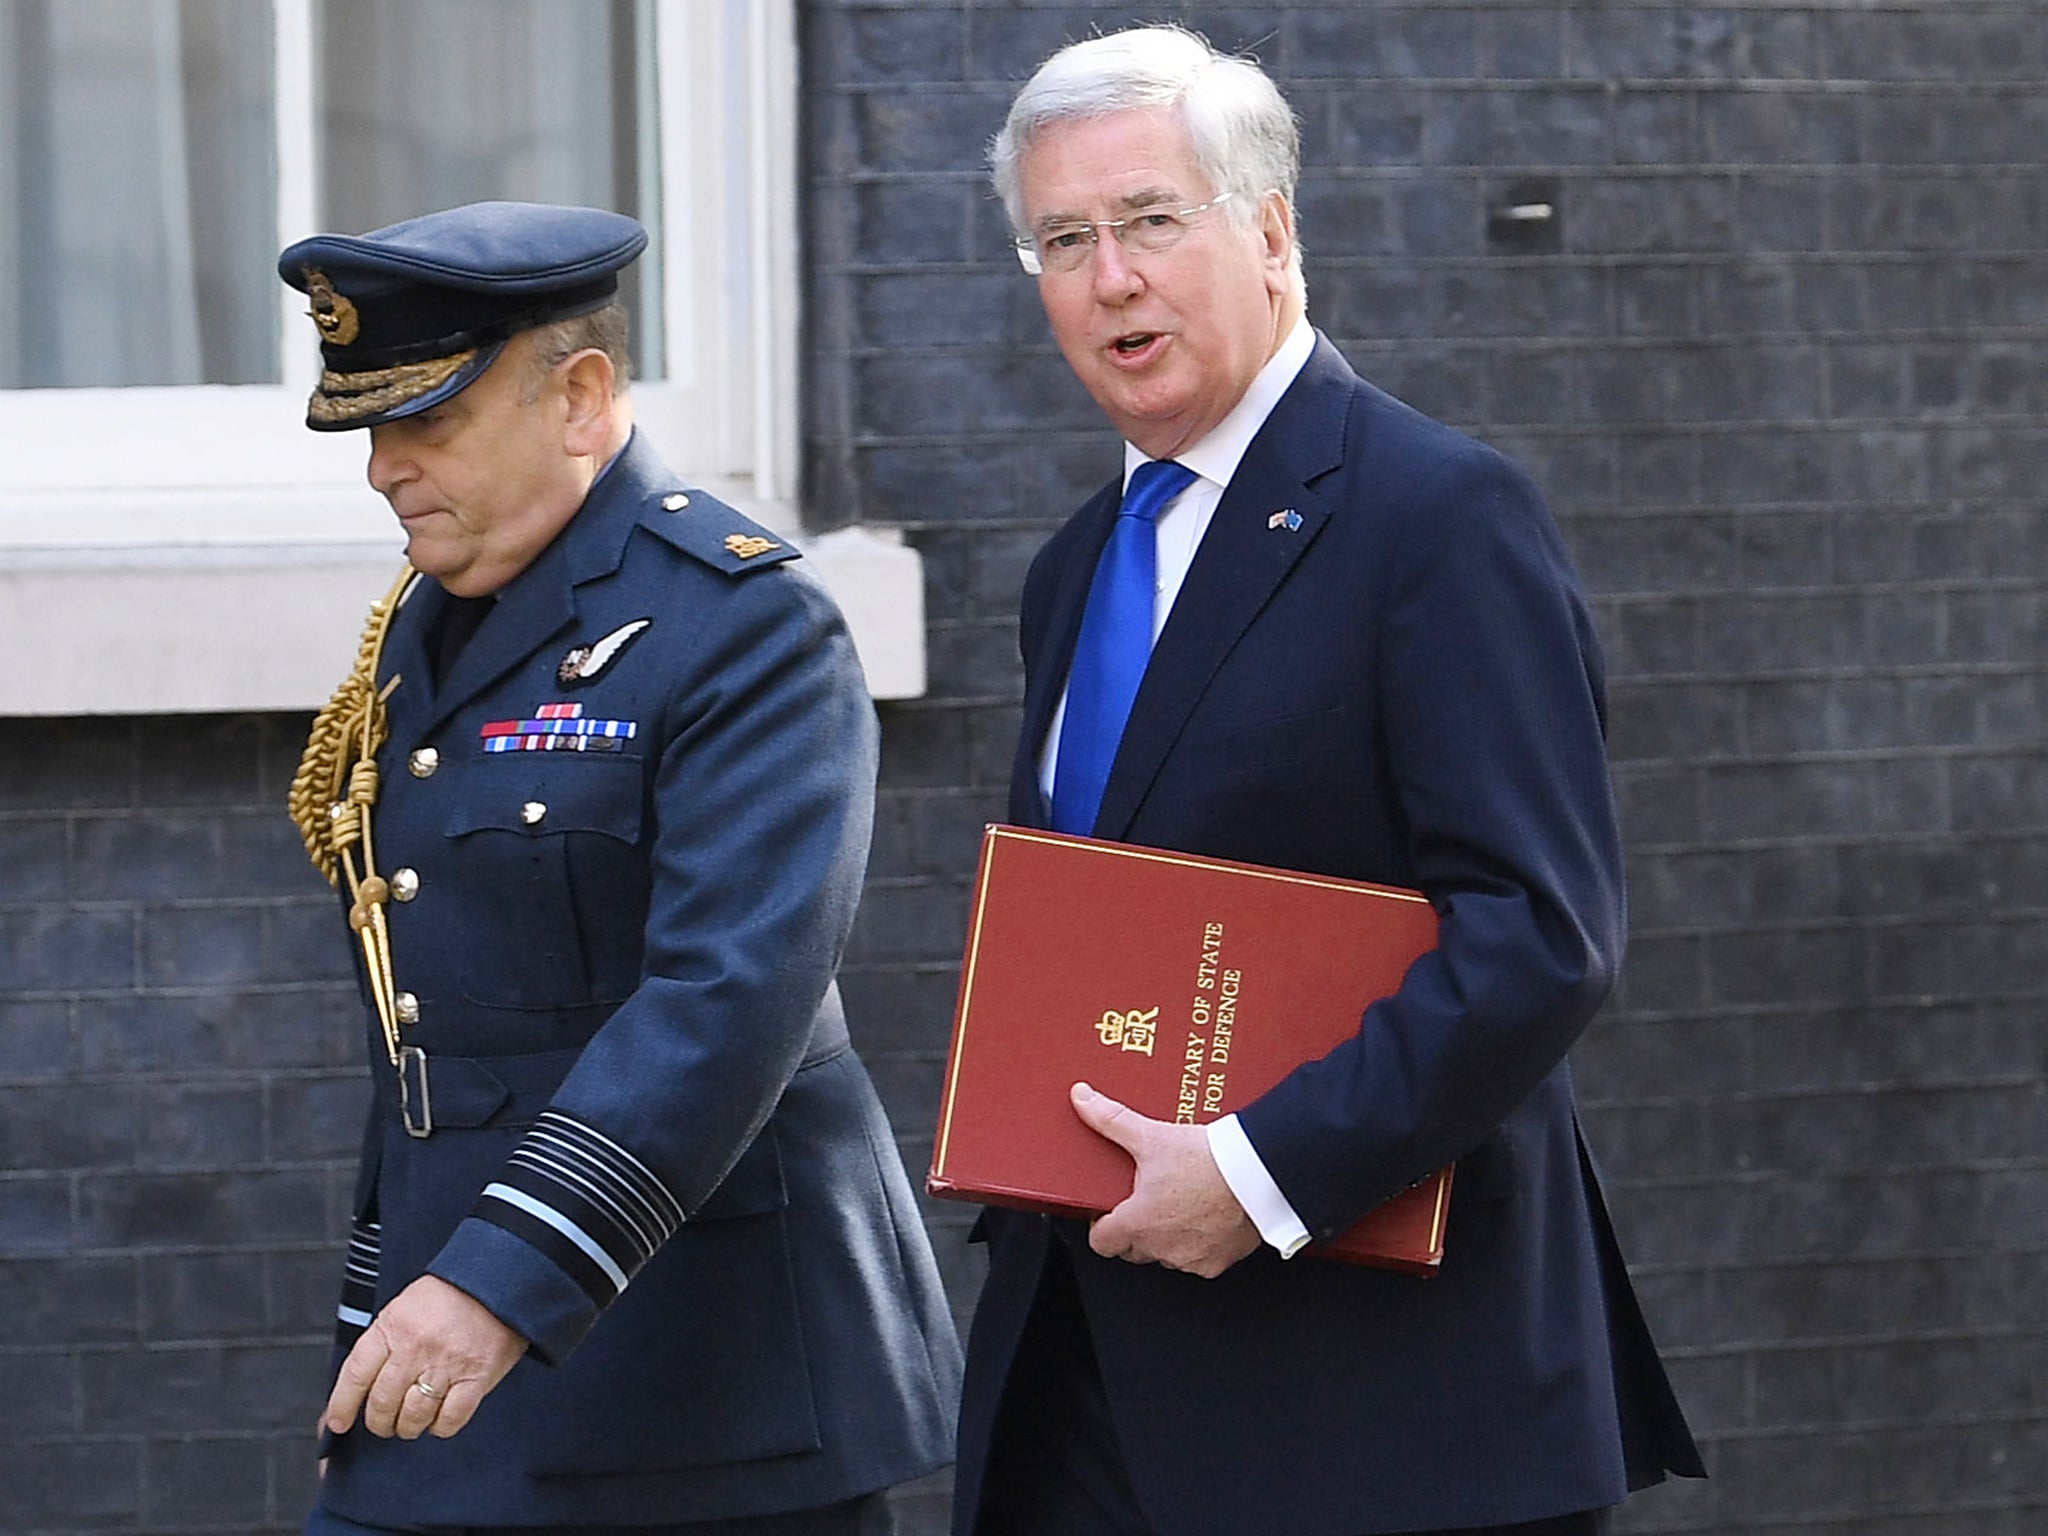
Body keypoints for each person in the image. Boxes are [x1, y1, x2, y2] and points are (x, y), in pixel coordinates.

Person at [955, 27, 1704, 1536]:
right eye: (1063, 239)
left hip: (1379, 1414)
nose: (1110, 279)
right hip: (1092, 1394)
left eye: (1151, 221)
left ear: (1272, 229)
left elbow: (1540, 936)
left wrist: (1258, 1171)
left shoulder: (1438, 516)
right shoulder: (1074, 570)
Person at [277, 200, 961, 1536]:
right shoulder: (432, 619)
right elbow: (430, 1027)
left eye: (429, 422)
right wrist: (375, 1340)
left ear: (582, 398)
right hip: (463, 1333)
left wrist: (494, 1284)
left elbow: (725, 1000)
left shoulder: (746, 626)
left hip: (700, 1385)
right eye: (371, 430)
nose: (383, 470)